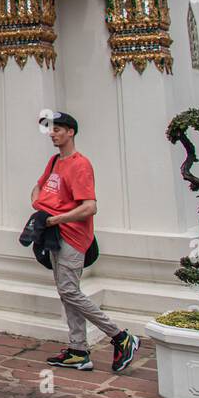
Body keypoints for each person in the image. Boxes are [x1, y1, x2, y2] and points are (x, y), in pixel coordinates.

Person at [34, 111, 139, 372]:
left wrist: (57, 218)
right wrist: (40, 205)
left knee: (70, 291)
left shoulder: (81, 165)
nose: (52, 133)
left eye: (58, 129)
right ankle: (78, 350)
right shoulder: (55, 162)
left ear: (71, 132)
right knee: (66, 292)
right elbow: (38, 188)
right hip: (56, 235)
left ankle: (120, 336)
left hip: (73, 236)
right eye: (51, 129)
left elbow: (90, 207)